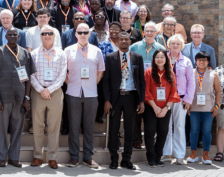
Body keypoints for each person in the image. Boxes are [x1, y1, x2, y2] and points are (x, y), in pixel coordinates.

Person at [0, 27, 34, 168]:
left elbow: (28, 78)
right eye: (10, 34)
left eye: (15, 34)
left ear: (19, 36)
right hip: (3, 97)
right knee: (1, 129)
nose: (13, 36)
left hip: (20, 99)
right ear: (6, 37)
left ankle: (14, 158)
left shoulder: (25, 53)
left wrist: (27, 98)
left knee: (17, 130)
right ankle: (1, 158)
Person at [102, 31, 145, 170]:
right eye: (121, 39)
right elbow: (106, 81)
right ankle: (114, 159)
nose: (124, 41)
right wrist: (107, 100)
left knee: (130, 130)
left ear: (130, 41)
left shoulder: (137, 57)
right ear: (117, 41)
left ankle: (126, 160)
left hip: (131, 97)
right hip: (115, 98)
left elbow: (141, 81)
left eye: (127, 39)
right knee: (113, 130)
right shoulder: (110, 57)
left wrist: (141, 100)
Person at [64, 23, 105, 168]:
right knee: (74, 127)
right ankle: (74, 156)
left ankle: (88, 156)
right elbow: (64, 72)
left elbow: (100, 71)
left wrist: (92, 83)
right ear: (76, 34)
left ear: (89, 34)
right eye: (80, 32)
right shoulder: (68, 50)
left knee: (89, 127)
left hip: (91, 93)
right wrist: (71, 83)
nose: (82, 34)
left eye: (85, 32)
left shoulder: (96, 51)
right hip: (73, 93)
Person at [29, 25, 66, 169]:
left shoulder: (61, 54)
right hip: (38, 92)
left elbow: (62, 76)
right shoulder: (34, 54)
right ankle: (37, 156)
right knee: (37, 126)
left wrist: (49, 90)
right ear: (41, 36)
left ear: (54, 35)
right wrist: (41, 89)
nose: (47, 35)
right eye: (44, 33)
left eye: (50, 33)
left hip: (55, 92)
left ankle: (52, 157)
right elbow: (30, 75)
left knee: (54, 126)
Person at [144, 50, 180, 168]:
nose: (160, 59)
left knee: (163, 132)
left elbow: (173, 93)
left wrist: (166, 108)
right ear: (154, 59)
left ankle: (158, 157)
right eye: (157, 57)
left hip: (166, 108)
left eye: (162, 57)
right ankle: (151, 158)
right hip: (151, 107)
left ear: (166, 59)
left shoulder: (170, 73)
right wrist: (155, 107)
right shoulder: (148, 72)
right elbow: (146, 91)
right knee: (150, 132)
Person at [163, 34, 195, 165]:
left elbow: (191, 82)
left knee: (180, 126)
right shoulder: (163, 58)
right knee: (165, 126)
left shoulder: (186, 61)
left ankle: (180, 155)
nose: (175, 46)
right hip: (164, 99)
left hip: (180, 99)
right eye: (173, 43)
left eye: (178, 44)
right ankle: (165, 153)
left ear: (181, 46)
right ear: (168, 45)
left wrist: (188, 99)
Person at [187, 51, 220, 165]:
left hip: (209, 108)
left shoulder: (213, 74)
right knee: (194, 131)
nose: (201, 62)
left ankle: (206, 155)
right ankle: (193, 153)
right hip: (194, 107)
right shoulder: (191, 72)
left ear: (208, 61)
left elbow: (218, 91)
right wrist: (187, 104)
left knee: (206, 131)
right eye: (199, 60)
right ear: (196, 61)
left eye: (204, 60)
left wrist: (217, 106)